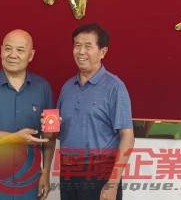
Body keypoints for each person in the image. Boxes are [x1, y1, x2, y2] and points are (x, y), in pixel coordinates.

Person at [0, 29, 55, 200]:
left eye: (20, 50)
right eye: (8, 49)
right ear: (1, 51)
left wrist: (45, 173)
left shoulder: (43, 88)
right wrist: (15, 138)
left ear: (31, 55)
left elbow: (49, 137)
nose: (13, 55)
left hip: (28, 187)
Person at [55, 23, 134, 200]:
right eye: (77, 45)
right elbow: (61, 133)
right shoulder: (67, 87)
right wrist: (50, 128)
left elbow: (127, 137)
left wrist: (112, 183)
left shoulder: (115, 87)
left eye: (88, 46)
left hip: (100, 174)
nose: (81, 51)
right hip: (68, 172)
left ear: (102, 52)